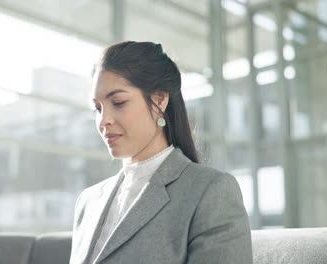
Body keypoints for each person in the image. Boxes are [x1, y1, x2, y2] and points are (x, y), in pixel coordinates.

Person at [69, 41, 253, 264]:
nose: (103, 120)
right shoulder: (88, 202)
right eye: (98, 108)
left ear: (159, 100)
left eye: (118, 102)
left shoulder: (210, 192)